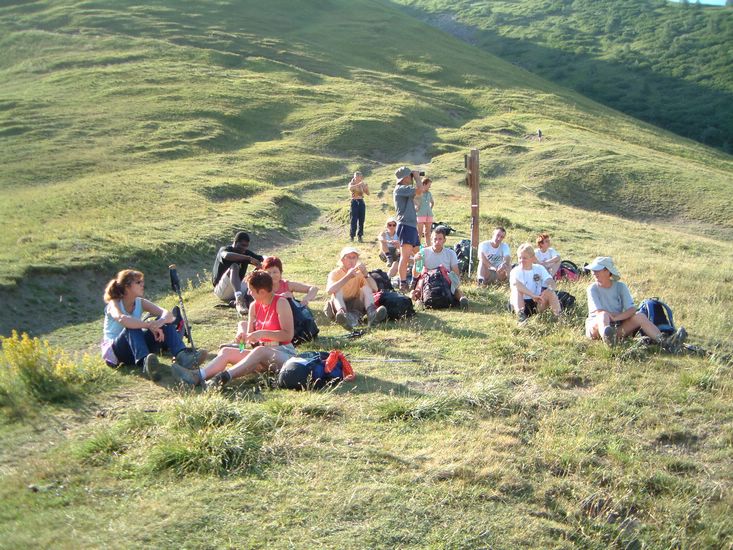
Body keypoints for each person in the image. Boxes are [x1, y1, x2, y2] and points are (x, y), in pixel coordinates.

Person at [172, 270, 296, 389]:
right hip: (260, 357)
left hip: (283, 354)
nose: (248, 293)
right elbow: (248, 343)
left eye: (251, 290)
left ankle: (224, 377)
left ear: (262, 292)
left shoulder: (281, 303)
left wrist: (261, 333)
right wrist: (242, 341)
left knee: (260, 351)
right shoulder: (254, 306)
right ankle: (198, 376)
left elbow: (287, 335)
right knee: (226, 351)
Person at [101, 269, 205, 380]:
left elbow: (168, 315)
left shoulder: (140, 302)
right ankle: (145, 364)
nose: (142, 285)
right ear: (127, 286)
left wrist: (159, 323)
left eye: (142, 282)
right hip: (118, 353)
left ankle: (182, 357)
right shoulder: (115, 303)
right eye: (138, 282)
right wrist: (149, 325)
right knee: (132, 327)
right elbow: (123, 319)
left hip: (135, 348)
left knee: (165, 323)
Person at [585, 256, 687, 348]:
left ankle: (666, 342)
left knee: (640, 316)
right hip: (596, 328)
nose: (594, 272)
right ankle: (608, 342)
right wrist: (615, 316)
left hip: (617, 326)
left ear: (607, 271)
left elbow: (632, 309)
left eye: (597, 270)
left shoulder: (620, 287)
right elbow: (598, 312)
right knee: (603, 316)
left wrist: (617, 317)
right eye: (593, 270)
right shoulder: (592, 288)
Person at [324, 247, 388, 331]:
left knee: (366, 288)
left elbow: (375, 289)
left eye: (354, 257)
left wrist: (365, 274)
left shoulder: (359, 273)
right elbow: (330, 290)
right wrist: (348, 277)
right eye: (349, 257)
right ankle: (343, 314)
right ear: (342, 260)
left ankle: (372, 314)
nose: (352, 260)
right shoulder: (335, 273)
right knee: (337, 290)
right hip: (338, 304)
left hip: (355, 304)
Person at [412, 225, 468, 309]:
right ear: (431, 239)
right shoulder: (423, 252)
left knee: (455, 289)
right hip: (428, 281)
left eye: (440, 239)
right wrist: (416, 262)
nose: (437, 242)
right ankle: (418, 302)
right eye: (435, 239)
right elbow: (416, 275)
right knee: (415, 289)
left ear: (444, 240)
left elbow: (456, 274)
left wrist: (450, 279)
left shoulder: (450, 253)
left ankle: (462, 299)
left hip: (444, 280)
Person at [212, 231, 263, 316]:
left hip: (237, 286)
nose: (244, 248)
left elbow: (261, 258)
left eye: (246, 246)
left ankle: (247, 302)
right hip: (221, 290)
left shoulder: (245, 252)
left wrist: (264, 263)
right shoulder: (225, 250)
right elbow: (226, 255)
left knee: (255, 275)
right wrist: (248, 258)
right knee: (234, 266)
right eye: (242, 245)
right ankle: (239, 299)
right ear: (235, 242)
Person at [509, 243, 561, 323]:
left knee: (551, 292)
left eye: (525, 258)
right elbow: (517, 285)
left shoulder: (539, 268)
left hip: (536, 302)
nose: (521, 260)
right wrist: (532, 295)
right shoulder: (515, 271)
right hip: (519, 302)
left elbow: (551, 281)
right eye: (520, 258)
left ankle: (559, 317)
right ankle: (521, 317)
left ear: (532, 258)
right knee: (517, 291)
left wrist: (549, 288)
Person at [393, 166, 424, 292]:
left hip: (411, 226)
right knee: (405, 257)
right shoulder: (400, 189)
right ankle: (403, 283)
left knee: (420, 255)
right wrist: (417, 176)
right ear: (405, 178)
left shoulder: (404, 190)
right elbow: (420, 190)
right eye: (410, 176)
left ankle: (415, 281)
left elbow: (418, 194)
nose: (411, 178)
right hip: (405, 225)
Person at [348, 171, 369, 243]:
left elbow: (368, 193)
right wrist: (359, 184)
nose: (359, 179)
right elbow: (350, 188)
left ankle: (360, 236)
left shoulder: (362, 184)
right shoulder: (352, 183)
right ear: (355, 177)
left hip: (361, 201)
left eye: (360, 177)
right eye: (357, 177)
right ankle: (352, 236)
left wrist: (366, 188)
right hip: (354, 202)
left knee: (361, 220)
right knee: (353, 220)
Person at [415, 178, 435, 247]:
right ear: (424, 184)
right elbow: (412, 199)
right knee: (419, 232)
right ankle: (418, 246)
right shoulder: (418, 192)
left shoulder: (429, 193)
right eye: (429, 185)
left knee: (428, 232)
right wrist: (417, 205)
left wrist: (430, 209)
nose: (430, 187)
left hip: (429, 214)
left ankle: (428, 246)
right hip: (420, 214)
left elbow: (432, 202)